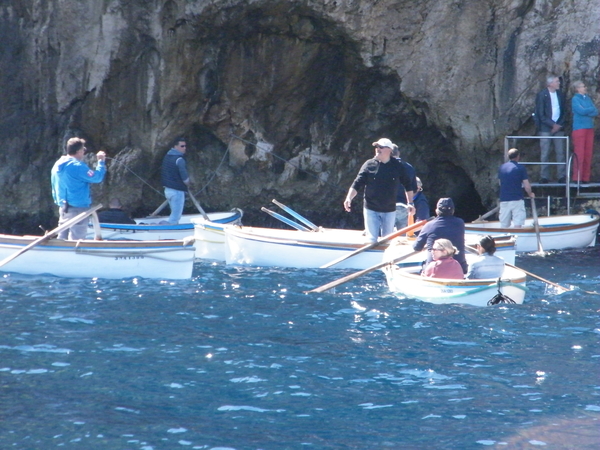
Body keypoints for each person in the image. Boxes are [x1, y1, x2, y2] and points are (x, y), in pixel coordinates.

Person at [344, 138, 414, 243]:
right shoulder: (369, 164)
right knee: (371, 239)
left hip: (389, 209)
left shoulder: (398, 166)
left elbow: (408, 185)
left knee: (387, 240)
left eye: (380, 147)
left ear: (389, 150)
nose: (377, 149)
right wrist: (348, 198)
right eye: (376, 147)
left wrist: (410, 203)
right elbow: (357, 183)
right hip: (371, 208)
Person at [51, 137, 106, 240]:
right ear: (79, 151)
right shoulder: (78, 166)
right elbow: (97, 177)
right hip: (78, 208)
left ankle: (59, 254)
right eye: (83, 150)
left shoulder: (57, 164)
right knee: (76, 239)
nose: (84, 152)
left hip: (63, 207)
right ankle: (74, 255)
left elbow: (54, 185)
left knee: (62, 237)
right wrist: (101, 162)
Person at [413, 197, 468, 273]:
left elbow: (417, 247)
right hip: (460, 268)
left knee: (423, 265)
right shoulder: (460, 223)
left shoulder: (429, 225)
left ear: (436, 211)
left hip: (433, 269)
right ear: (453, 210)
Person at [534, 75, 566, 183]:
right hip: (545, 128)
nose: (559, 83)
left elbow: (564, 112)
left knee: (560, 152)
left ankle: (561, 176)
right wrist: (552, 125)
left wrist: (558, 125)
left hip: (559, 128)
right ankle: (544, 176)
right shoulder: (542, 95)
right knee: (545, 152)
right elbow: (540, 114)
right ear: (550, 83)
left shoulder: (560, 95)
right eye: (556, 81)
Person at [498, 148, 535, 228]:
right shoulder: (520, 168)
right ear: (518, 156)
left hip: (504, 199)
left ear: (508, 156)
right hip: (517, 199)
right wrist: (530, 194)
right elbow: (526, 185)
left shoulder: (501, 168)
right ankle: (517, 238)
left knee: (504, 225)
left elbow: (500, 183)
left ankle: (504, 239)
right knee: (518, 223)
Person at [571, 81, 598, 183]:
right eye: (583, 86)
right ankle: (576, 177)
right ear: (577, 89)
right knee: (579, 153)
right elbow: (580, 111)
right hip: (579, 128)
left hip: (589, 127)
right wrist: (589, 110)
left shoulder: (588, 98)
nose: (585, 88)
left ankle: (586, 177)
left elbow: (595, 111)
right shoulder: (575, 99)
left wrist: (588, 109)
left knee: (588, 153)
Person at [161, 137, 190, 224]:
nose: (184, 148)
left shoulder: (167, 157)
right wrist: (188, 184)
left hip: (167, 190)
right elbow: (185, 178)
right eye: (182, 146)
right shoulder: (179, 160)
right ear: (175, 146)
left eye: (185, 146)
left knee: (174, 213)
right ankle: (169, 232)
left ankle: (171, 226)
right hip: (177, 192)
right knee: (176, 216)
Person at [391, 144, 417, 230]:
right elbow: (414, 188)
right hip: (404, 205)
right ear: (398, 152)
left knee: (385, 234)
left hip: (387, 206)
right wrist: (411, 203)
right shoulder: (409, 167)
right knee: (402, 235)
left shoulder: (384, 167)